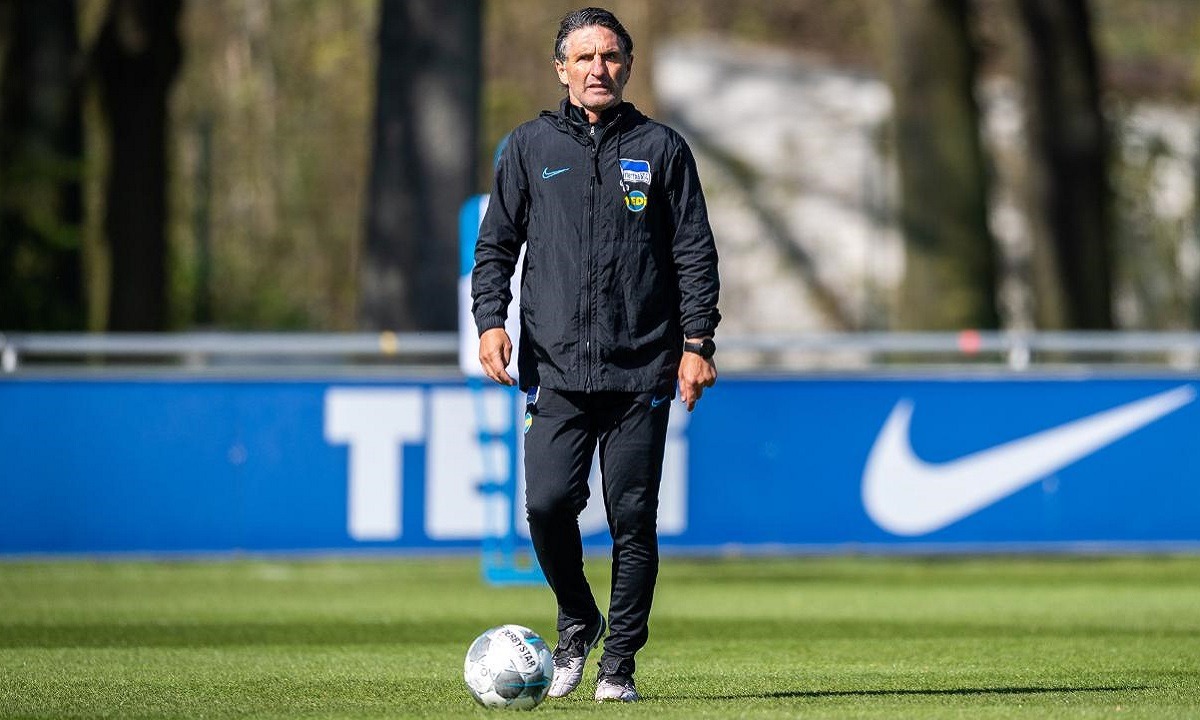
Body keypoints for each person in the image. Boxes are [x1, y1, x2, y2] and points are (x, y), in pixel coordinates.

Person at [471, 6, 720, 703]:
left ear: (628, 66)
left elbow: (695, 253)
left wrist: (698, 343)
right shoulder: (528, 147)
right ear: (561, 69)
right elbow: (495, 247)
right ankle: (578, 617)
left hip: (642, 368)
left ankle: (618, 668)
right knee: (547, 506)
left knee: (632, 520)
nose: (597, 68)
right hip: (554, 369)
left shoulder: (662, 148)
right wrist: (490, 322)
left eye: (609, 56)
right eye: (583, 57)